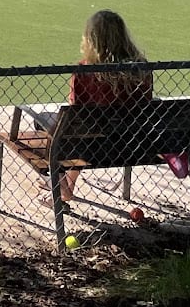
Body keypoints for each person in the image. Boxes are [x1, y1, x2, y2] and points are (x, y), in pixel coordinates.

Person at [38, 10, 154, 202]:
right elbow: (146, 103)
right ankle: (64, 184)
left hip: (92, 145)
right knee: (86, 130)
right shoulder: (142, 68)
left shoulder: (84, 70)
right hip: (134, 143)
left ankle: (59, 183)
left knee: (55, 126)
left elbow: (75, 111)